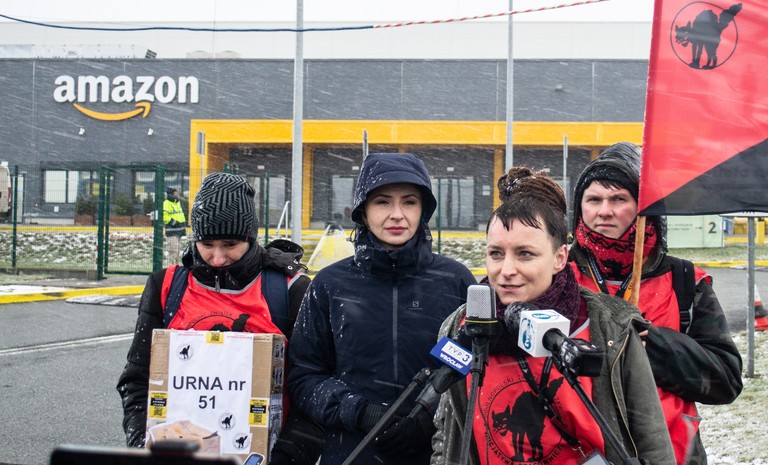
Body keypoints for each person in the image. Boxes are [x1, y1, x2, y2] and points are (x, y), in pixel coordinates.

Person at [432, 167, 676, 465]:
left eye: (525, 254)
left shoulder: (610, 325)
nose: (506, 270)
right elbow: (446, 432)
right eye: (496, 253)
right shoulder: (461, 326)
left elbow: (652, 440)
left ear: (560, 258)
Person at [116, 172, 322, 465]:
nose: (217, 257)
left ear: (250, 237)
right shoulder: (166, 286)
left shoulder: (291, 290)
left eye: (230, 244)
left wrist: (286, 457)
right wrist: (143, 443)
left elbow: (313, 389)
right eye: (206, 243)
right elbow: (137, 379)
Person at [287, 152, 477, 465]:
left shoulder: (456, 282)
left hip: (436, 454)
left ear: (424, 210)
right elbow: (304, 377)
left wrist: (429, 415)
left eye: (409, 202)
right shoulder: (330, 285)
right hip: (352, 452)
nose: (397, 215)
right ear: (363, 211)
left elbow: (472, 365)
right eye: (382, 202)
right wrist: (361, 412)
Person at [568, 142, 743, 465]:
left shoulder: (686, 281)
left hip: (672, 454)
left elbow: (726, 381)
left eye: (618, 199)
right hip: (583, 453)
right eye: (593, 200)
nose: (604, 211)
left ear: (643, 208)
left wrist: (657, 348)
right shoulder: (557, 276)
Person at [163, 187, 187, 265]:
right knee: (173, 252)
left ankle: (175, 269)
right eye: (175, 194)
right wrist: (174, 223)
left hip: (178, 230)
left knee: (177, 253)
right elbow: (165, 217)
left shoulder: (177, 203)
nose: (177, 195)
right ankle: (171, 270)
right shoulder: (166, 203)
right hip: (172, 231)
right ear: (171, 194)